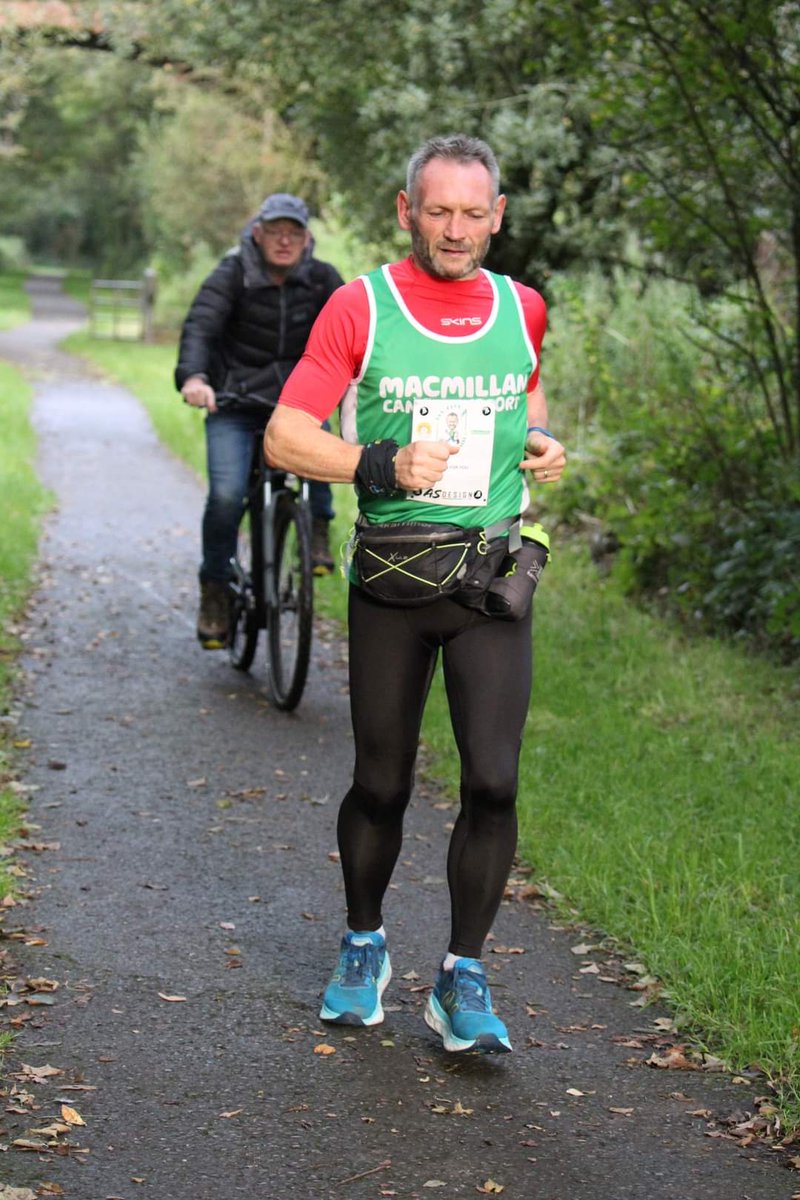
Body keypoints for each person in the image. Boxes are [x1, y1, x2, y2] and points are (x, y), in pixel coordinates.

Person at [265, 135, 566, 1054]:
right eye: (438, 210)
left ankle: (462, 974)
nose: (457, 229)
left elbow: (526, 398)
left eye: (475, 213)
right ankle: (364, 945)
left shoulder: (524, 307)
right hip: (394, 579)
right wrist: (376, 460)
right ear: (406, 211)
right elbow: (285, 435)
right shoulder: (362, 306)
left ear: (499, 216)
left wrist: (542, 442)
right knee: (381, 782)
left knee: (495, 780)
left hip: (489, 579)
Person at [175, 192, 344, 649]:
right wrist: (194, 377)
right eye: (275, 232)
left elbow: (356, 332)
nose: (284, 241)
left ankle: (317, 531)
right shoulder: (232, 274)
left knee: (322, 456)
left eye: (294, 233)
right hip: (234, 404)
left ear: (307, 239)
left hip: (295, 407)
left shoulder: (323, 280)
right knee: (229, 496)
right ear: (257, 234)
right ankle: (215, 591)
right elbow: (201, 326)